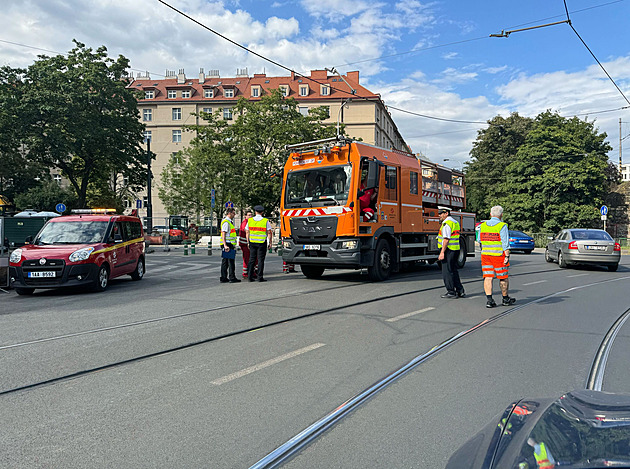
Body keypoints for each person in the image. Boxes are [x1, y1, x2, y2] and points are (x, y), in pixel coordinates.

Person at [478, 205, 515, 308]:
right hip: (498, 256)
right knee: (503, 277)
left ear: (490, 214)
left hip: (485, 255)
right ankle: (505, 299)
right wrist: (507, 256)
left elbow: (479, 240)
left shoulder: (483, 225)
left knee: (488, 277)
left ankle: (489, 301)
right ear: (501, 215)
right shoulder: (502, 226)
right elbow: (505, 243)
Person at [437, 206, 465, 299]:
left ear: (446, 213)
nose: (439, 215)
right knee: (453, 270)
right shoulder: (454, 222)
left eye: (441, 213)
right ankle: (460, 290)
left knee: (447, 272)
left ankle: (451, 292)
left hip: (448, 250)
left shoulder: (446, 224)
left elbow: (446, 239)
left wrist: (442, 252)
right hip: (455, 249)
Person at [246, 205, 272, 282]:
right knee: (260, 260)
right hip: (261, 243)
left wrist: (248, 242)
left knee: (252, 259)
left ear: (255, 212)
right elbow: (269, 232)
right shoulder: (265, 221)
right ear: (262, 212)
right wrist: (270, 242)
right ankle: (259, 277)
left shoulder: (250, 220)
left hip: (252, 242)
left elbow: (247, 231)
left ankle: (250, 277)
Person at [219, 208, 240, 283]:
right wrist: (225, 245)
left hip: (228, 243)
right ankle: (232, 277)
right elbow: (223, 234)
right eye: (234, 213)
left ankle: (224, 277)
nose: (234, 215)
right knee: (230, 262)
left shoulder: (228, 222)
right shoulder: (226, 222)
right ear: (230, 213)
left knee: (225, 262)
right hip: (228, 244)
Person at [239, 210, 255, 278]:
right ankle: (245, 273)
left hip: (248, 243)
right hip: (244, 244)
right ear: (245, 216)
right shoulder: (245, 223)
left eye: (251, 215)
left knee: (251, 258)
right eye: (249, 215)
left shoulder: (250, 222)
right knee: (246, 258)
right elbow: (246, 230)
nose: (250, 216)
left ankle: (251, 271)